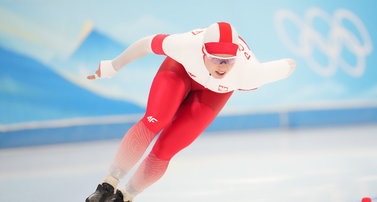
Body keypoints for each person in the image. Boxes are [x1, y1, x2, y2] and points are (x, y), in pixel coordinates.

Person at [85, 22, 296, 202]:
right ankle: (107, 185)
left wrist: (289, 65)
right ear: (203, 50)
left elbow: (286, 67)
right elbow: (145, 44)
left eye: (228, 60)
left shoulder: (248, 73)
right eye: (215, 58)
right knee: (155, 120)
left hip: (214, 93)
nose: (222, 66)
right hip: (179, 71)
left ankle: (124, 196)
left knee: (168, 147)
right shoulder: (184, 46)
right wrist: (112, 66)